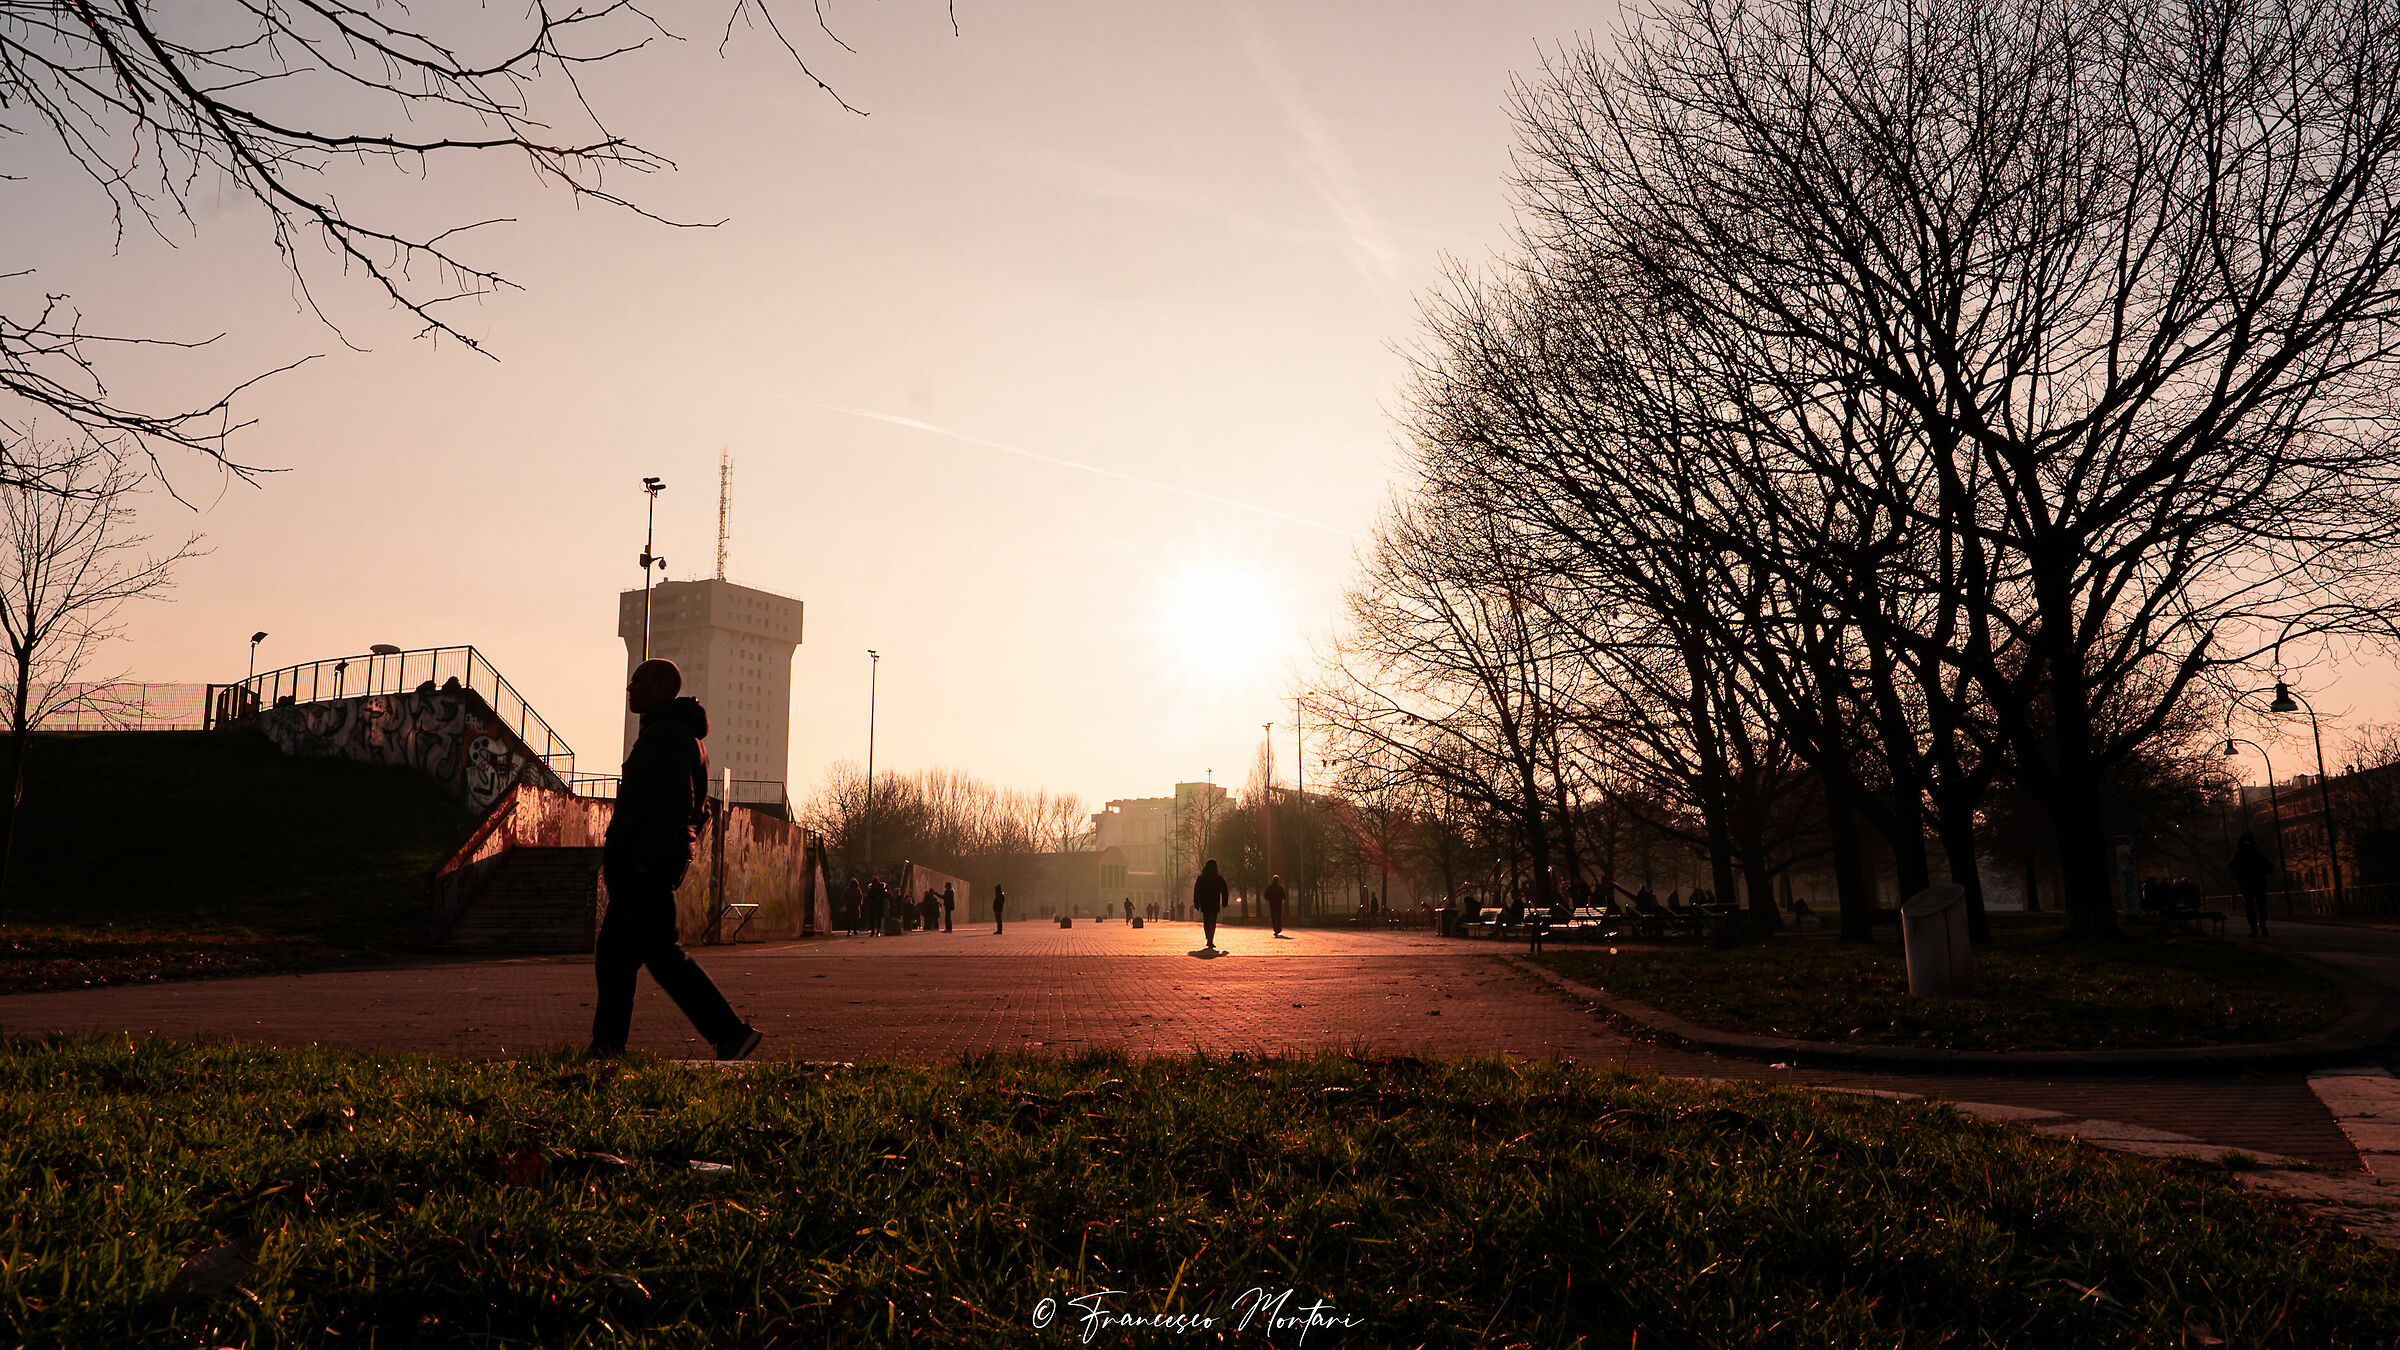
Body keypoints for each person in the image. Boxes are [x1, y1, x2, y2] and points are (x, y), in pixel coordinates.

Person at [589, 659, 760, 1061]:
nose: (630, 687)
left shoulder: (665, 735)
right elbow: (695, 810)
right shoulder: (671, 732)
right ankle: (606, 1048)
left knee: (663, 957)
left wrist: (644, 859)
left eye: (639, 680)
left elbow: (677, 803)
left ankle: (731, 1034)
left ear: (663, 687)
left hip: (643, 868)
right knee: (614, 959)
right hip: (644, 865)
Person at [2231, 834, 2275, 938]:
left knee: (2253, 907)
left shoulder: (2239, 856)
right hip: (2257, 884)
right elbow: (2269, 868)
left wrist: (2237, 874)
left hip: (2250, 884)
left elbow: (2231, 867)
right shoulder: (2258, 856)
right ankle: (2260, 927)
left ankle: (2256, 927)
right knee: (2259, 906)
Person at [1193, 858, 1230, 949]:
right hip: (1214, 902)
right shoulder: (1218, 878)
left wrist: (1196, 903)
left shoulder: (1201, 878)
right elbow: (1224, 890)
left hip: (1205, 902)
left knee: (1206, 920)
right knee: (1213, 921)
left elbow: (1196, 891)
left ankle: (1208, 937)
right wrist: (1224, 902)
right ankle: (1210, 939)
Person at [1264, 872, 1288, 937]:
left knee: (1273, 917)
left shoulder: (1270, 887)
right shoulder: (1280, 888)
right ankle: (1279, 928)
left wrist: (1270, 899)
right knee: (1279, 916)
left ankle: (1275, 928)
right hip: (1279, 904)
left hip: (1272, 904)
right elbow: (1284, 896)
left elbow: (1266, 895)